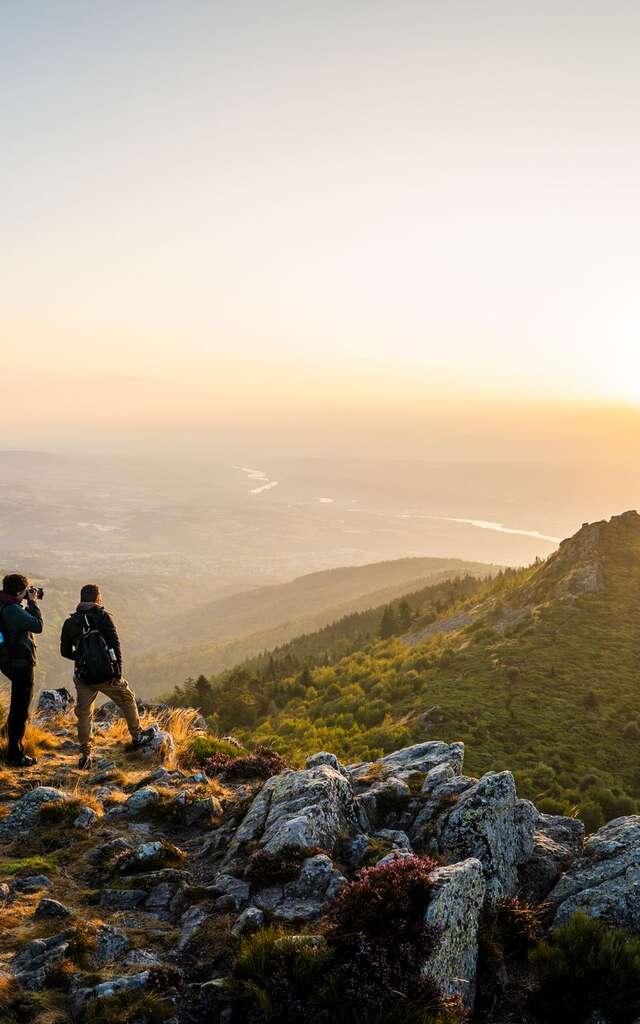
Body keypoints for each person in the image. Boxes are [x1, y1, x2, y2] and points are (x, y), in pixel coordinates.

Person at [60, 583, 143, 769]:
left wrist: (81, 658)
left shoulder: (70, 623)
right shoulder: (103, 617)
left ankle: (85, 753)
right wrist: (117, 672)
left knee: (84, 713)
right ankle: (137, 736)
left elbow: (64, 651)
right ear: (97, 598)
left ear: (82, 598)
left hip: (84, 677)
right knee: (127, 698)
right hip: (107, 675)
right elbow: (115, 644)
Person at [0, 573, 43, 767]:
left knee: (17, 705)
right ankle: (15, 754)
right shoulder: (13, 610)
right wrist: (33, 603)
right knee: (20, 709)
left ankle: (6, 737)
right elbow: (37, 626)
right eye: (25, 591)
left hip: (7, 661)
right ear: (19, 592)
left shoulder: (3, 602)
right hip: (20, 663)